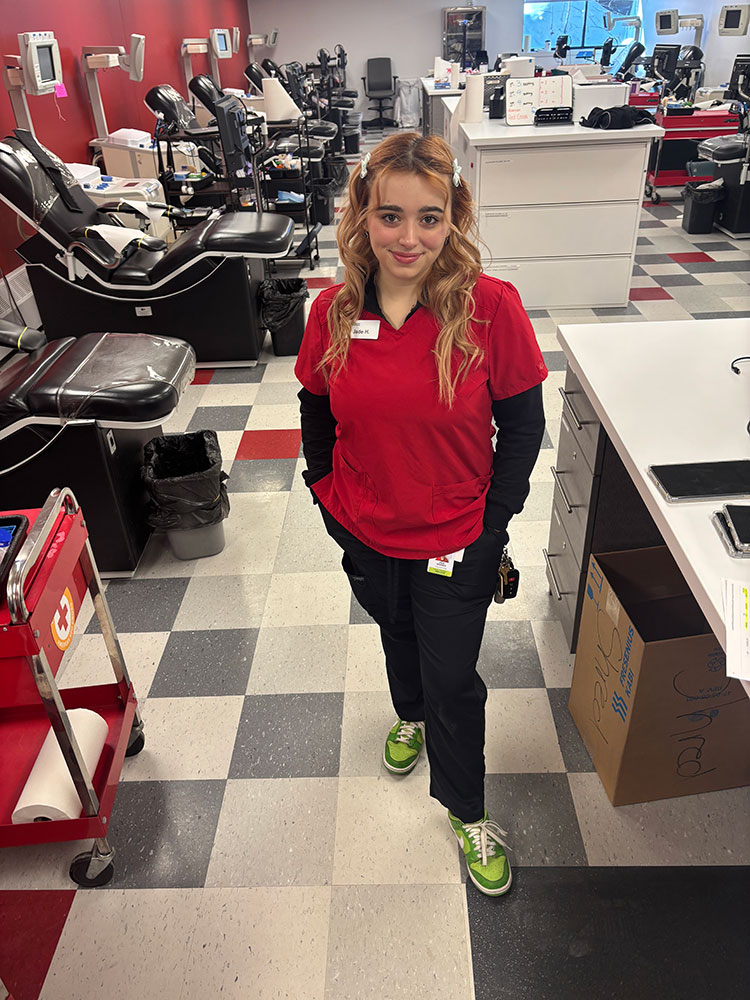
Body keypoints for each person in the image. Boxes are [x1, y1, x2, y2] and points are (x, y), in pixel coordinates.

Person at [294, 132, 547, 896]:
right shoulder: (335, 312)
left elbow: (524, 428)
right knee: (395, 631)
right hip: (367, 528)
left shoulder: (489, 309)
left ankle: (467, 812)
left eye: (430, 218)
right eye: (390, 216)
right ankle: (406, 716)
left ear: (454, 218)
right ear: (363, 216)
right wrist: (328, 498)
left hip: (456, 538)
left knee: (452, 677)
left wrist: (491, 528)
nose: (409, 238)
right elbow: (315, 412)